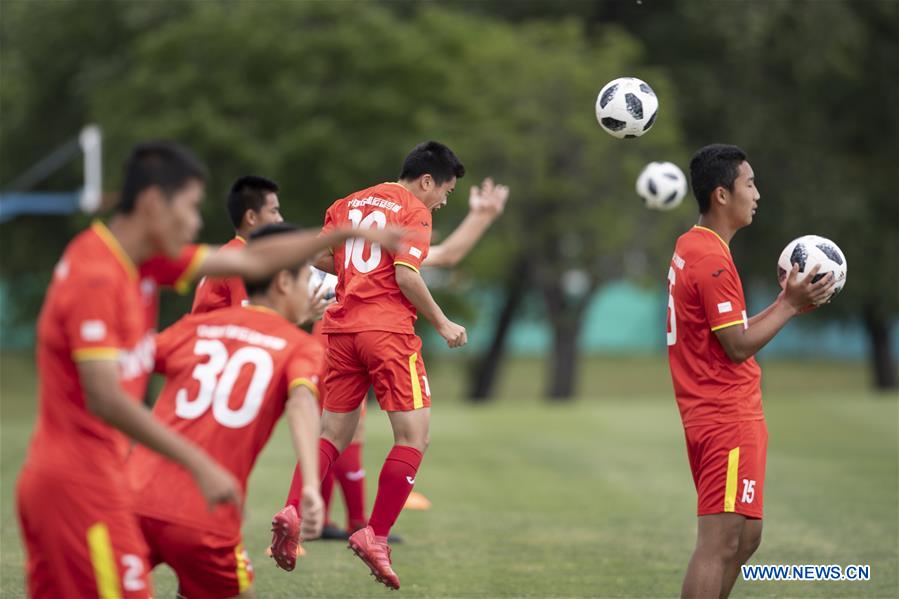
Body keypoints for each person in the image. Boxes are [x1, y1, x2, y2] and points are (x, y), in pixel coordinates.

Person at [15, 141, 401, 598]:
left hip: (102, 480)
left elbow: (253, 259)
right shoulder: (96, 274)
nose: (196, 222)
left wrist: (339, 238)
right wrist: (200, 464)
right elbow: (105, 396)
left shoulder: (147, 260)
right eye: (191, 207)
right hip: (80, 487)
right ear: (155, 202)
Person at [271, 140, 507, 590]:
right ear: (426, 181)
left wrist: (356, 274)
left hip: (339, 331)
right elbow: (406, 275)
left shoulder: (347, 203)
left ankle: (292, 510)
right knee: (414, 436)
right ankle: (374, 534)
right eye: (446, 192)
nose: (442, 200)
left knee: (331, 434)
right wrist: (442, 322)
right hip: (388, 333)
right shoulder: (414, 211)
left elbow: (320, 256)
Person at [667, 144, 836, 599]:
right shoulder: (712, 260)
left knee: (745, 538)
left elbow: (731, 331)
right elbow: (738, 345)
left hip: (726, 412)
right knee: (718, 543)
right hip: (723, 415)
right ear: (722, 195)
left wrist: (788, 306)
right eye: (750, 184)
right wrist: (789, 304)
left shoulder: (694, 244)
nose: (757, 194)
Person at [129, 222, 325, 599]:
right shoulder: (300, 348)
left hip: (134, 497)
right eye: (307, 278)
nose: (311, 288)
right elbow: (301, 401)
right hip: (204, 512)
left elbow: (134, 360)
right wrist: (312, 486)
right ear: (284, 282)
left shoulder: (195, 327)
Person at [191, 175, 283, 314]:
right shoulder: (241, 262)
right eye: (274, 211)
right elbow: (250, 322)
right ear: (251, 217)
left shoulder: (231, 253)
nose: (280, 219)